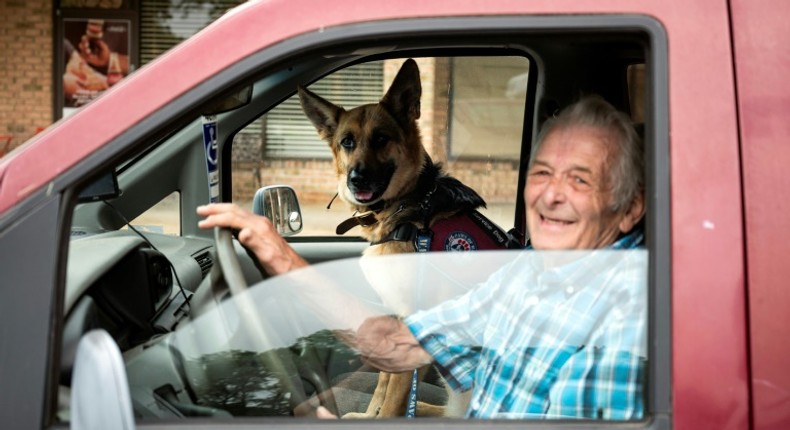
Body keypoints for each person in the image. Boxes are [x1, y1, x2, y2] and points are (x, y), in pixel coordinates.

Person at [197, 94, 647, 419]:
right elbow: (395, 344)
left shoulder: (629, 319)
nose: (551, 196)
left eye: (581, 181)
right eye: (543, 173)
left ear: (631, 208)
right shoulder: (526, 278)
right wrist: (278, 255)